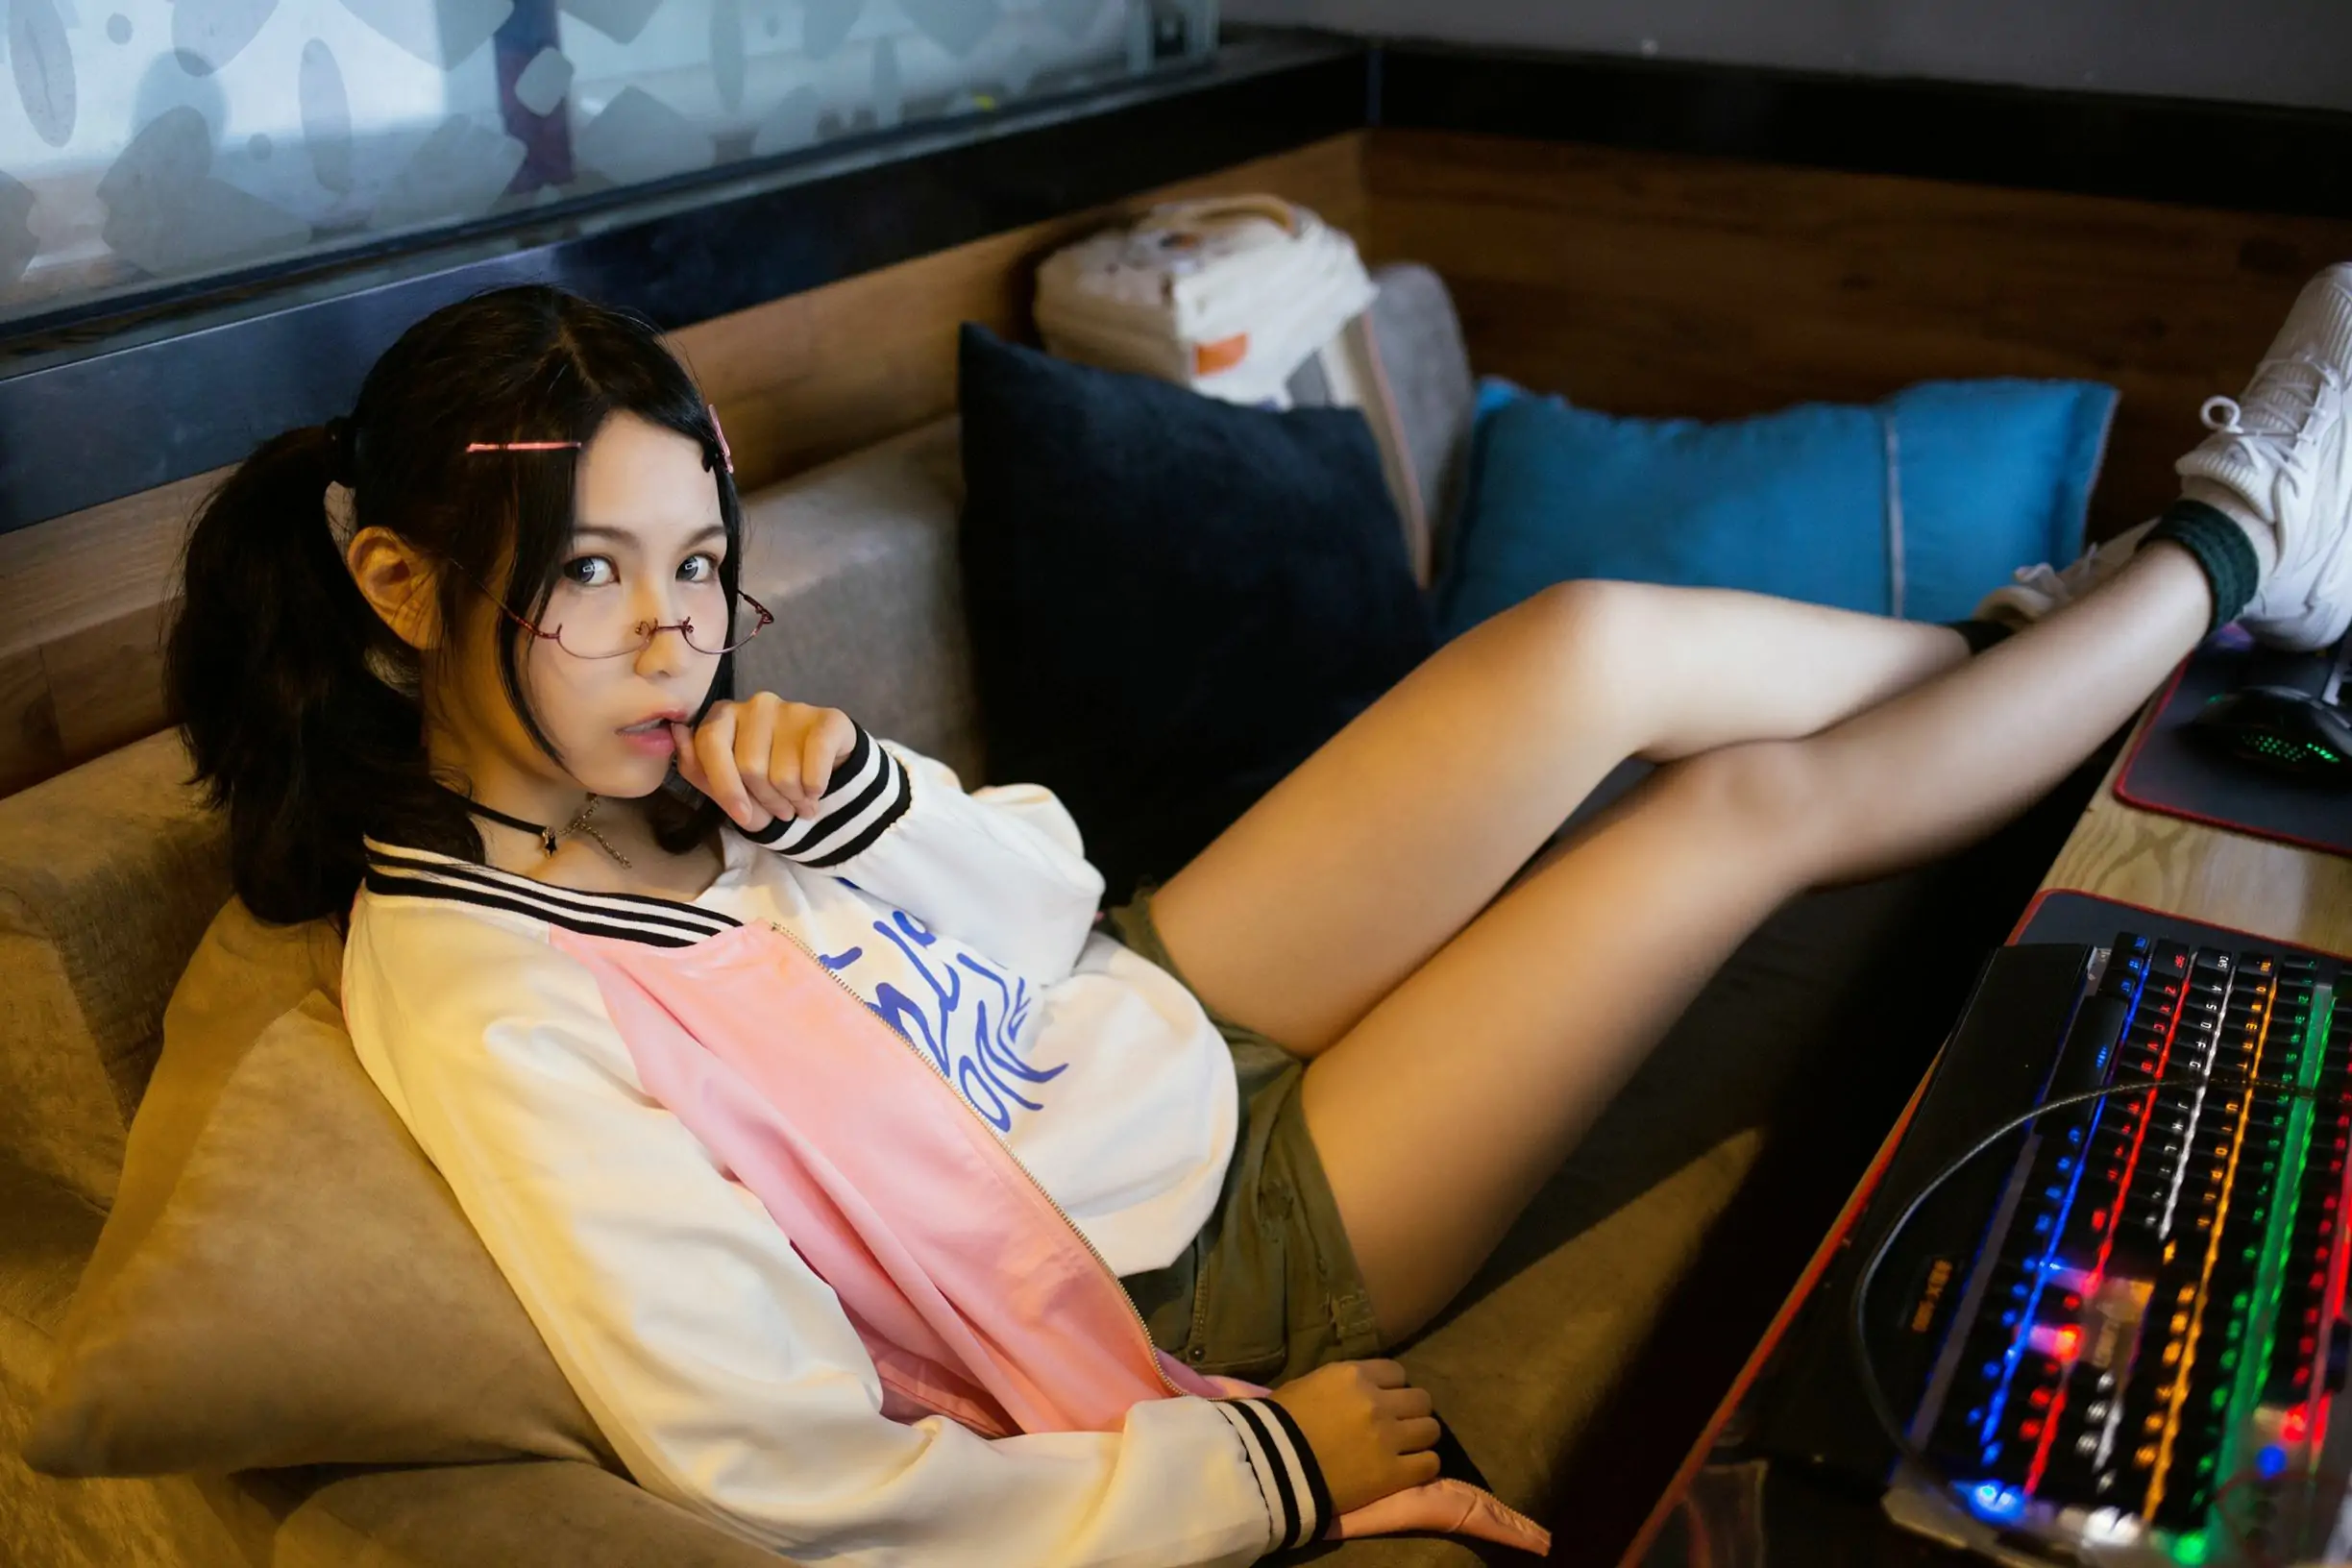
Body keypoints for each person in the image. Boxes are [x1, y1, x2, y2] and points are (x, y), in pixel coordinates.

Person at [165, 265, 2352, 1567]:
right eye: (592, 575)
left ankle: (2022, 659)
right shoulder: (486, 1002)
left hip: (1144, 998)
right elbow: (777, 1464)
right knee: (1726, 822)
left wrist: (861, 803)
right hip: (1209, 1244)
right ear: (399, 587)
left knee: (1581, 646)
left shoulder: (661, 761)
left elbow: (1043, 899)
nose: (673, 637)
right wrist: (1257, 1467)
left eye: (697, 566)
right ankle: (2231, 549)